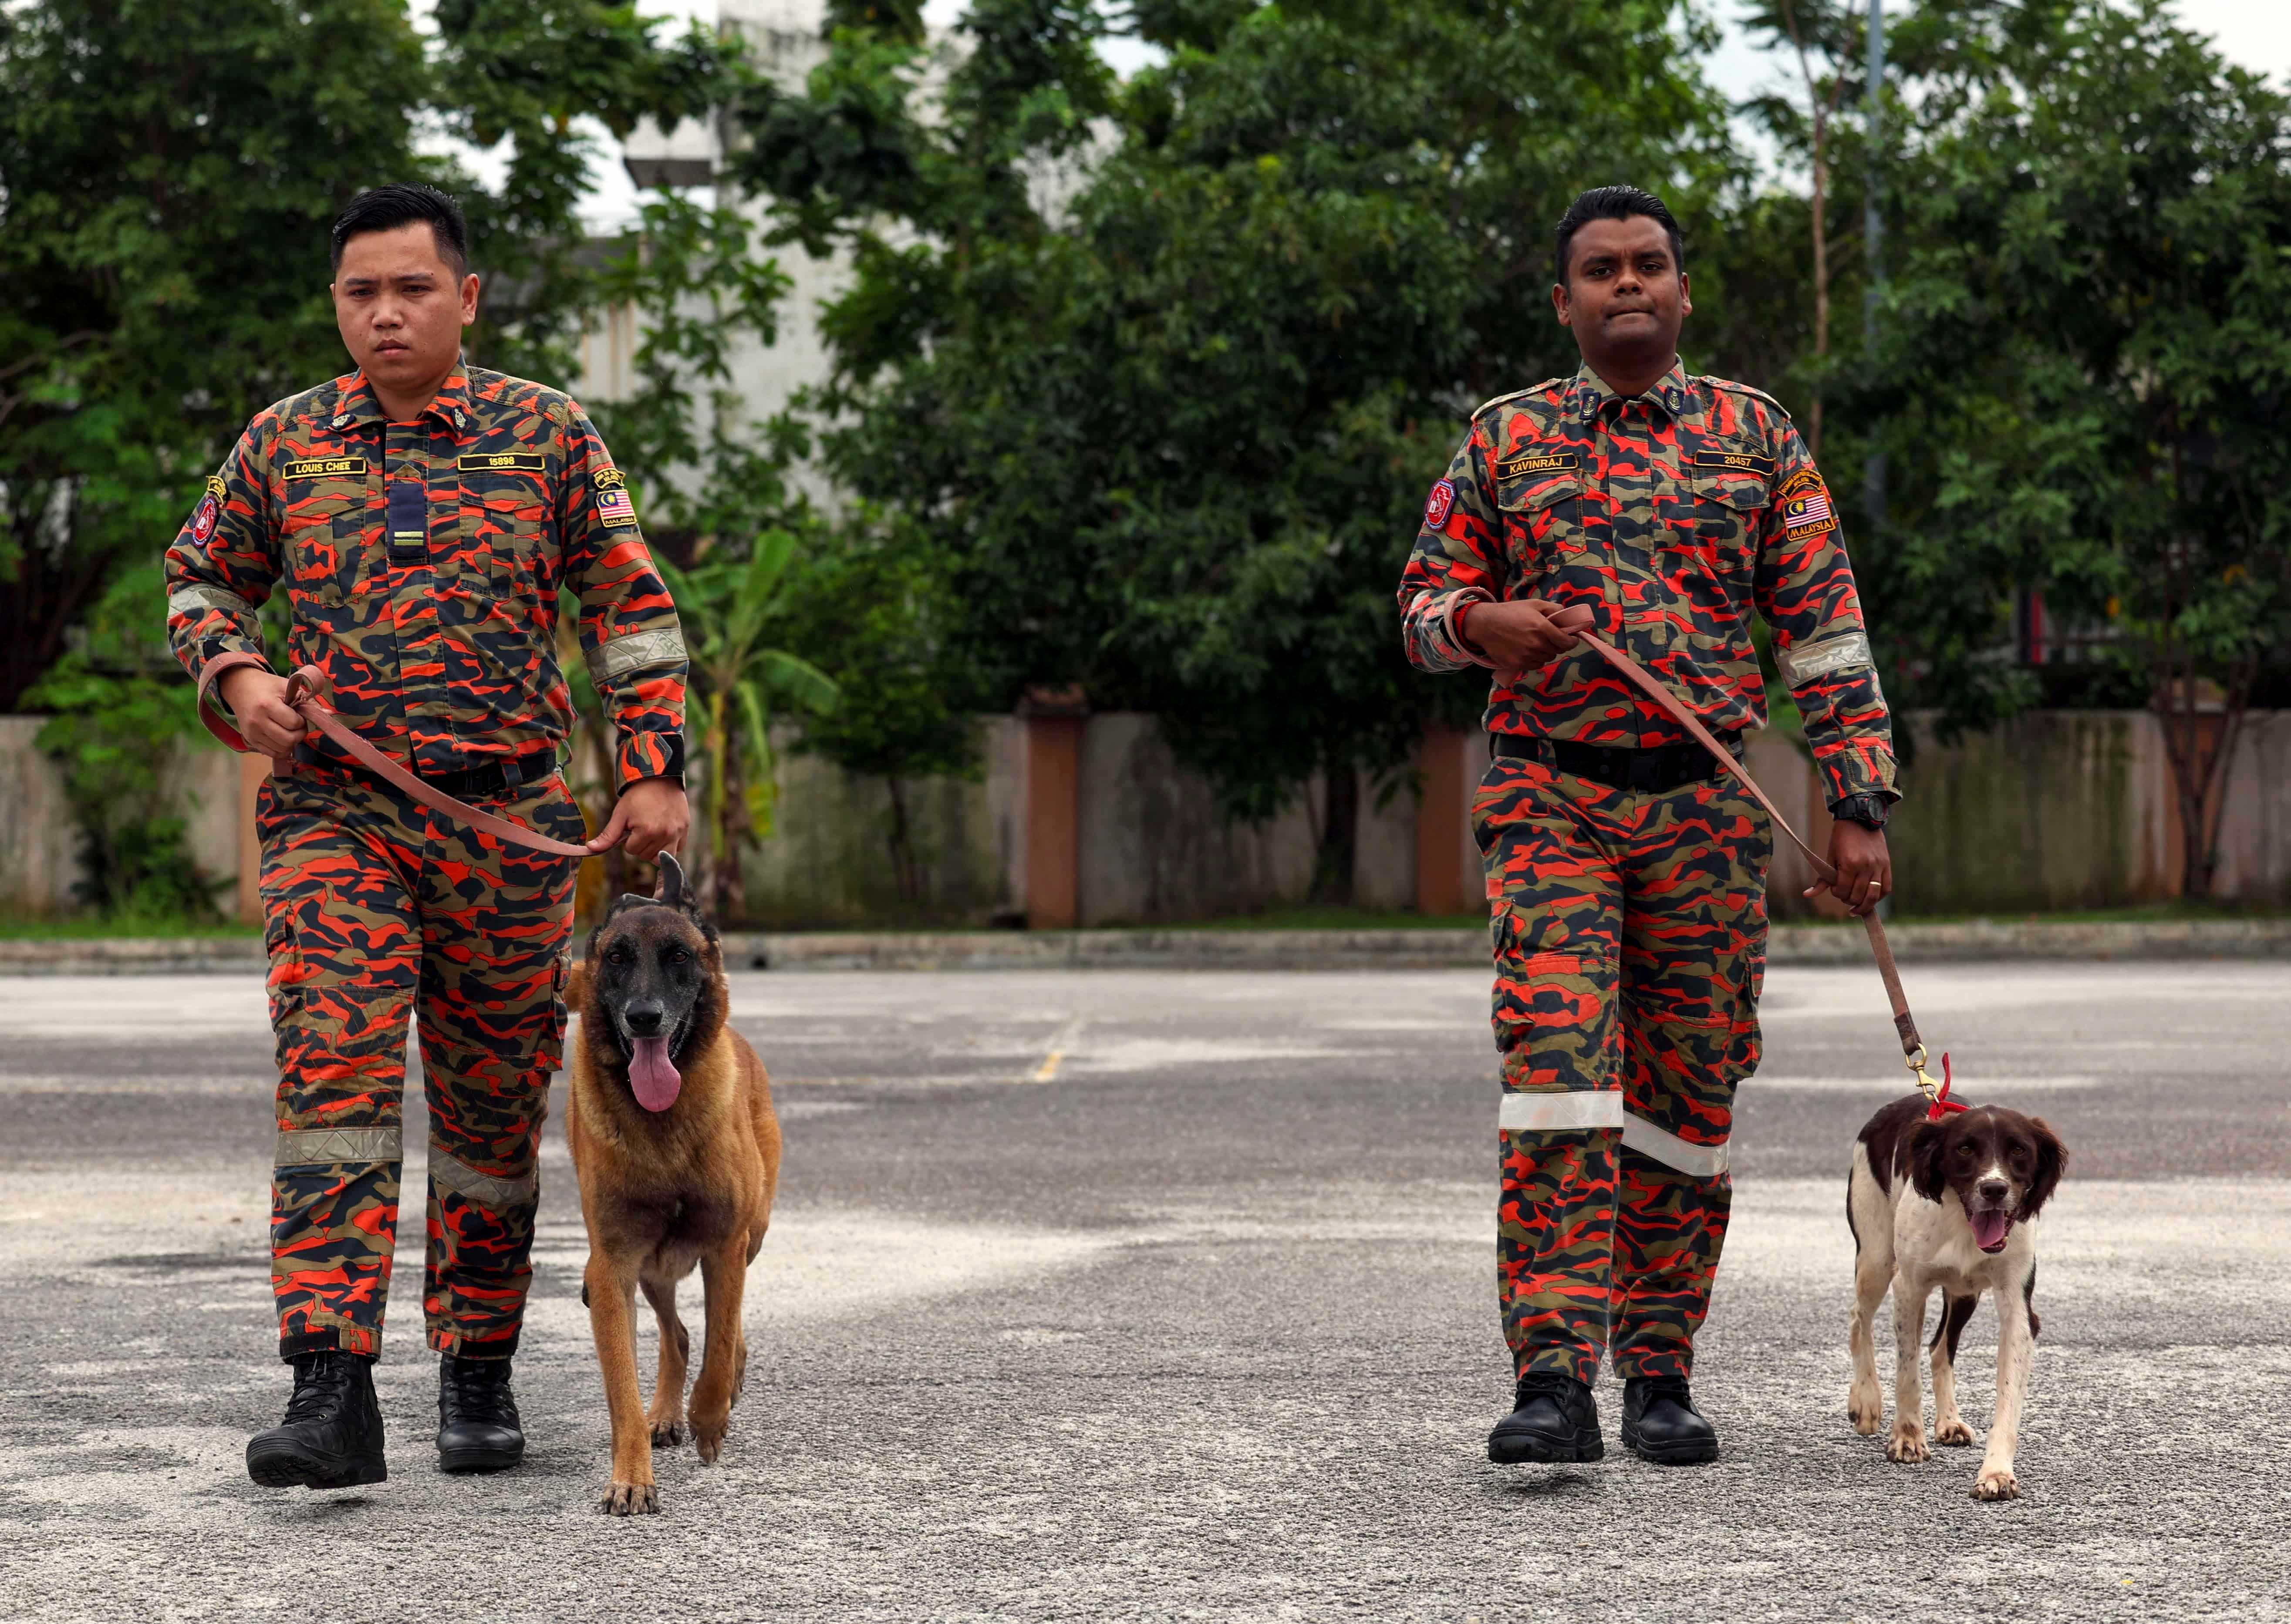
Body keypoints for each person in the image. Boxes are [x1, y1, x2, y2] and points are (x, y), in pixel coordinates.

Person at [163, 183, 690, 1489]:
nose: (385, 313)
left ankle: (478, 1371)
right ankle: (329, 1388)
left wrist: (654, 770)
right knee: (331, 1078)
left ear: (468, 296)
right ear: (336, 305)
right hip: (334, 809)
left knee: (493, 1108)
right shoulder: (286, 445)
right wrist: (238, 677)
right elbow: (200, 576)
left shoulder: (547, 435)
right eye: (360, 293)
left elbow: (631, 606)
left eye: (411, 289)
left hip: (509, 822)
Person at [1396, 185, 1897, 1467]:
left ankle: (1660, 1368)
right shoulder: (1503, 442)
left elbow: (1825, 628)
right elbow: (1420, 605)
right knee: (1558, 1074)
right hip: (1551, 793)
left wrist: (1856, 799)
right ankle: (1552, 1375)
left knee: (1690, 1090)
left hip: (1707, 807)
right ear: (1562, 301)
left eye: (1650, 265)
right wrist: (1479, 624)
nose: (1629, 285)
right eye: (1601, 270)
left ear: (1683, 291)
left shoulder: (1757, 437)